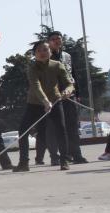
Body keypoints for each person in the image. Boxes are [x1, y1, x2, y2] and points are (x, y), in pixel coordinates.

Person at [13, 42, 73, 172]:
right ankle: (23, 162)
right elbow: (36, 86)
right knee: (23, 130)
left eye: (45, 49)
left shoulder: (57, 65)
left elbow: (69, 83)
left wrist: (68, 90)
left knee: (61, 130)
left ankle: (64, 160)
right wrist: (45, 101)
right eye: (39, 50)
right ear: (35, 54)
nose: (42, 52)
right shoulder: (32, 67)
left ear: (50, 52)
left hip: (56, 101)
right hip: (34, 103)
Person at [35, 31, 88, 165]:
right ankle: (55, 156)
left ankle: (76, 154)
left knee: (72, 126)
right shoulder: (44, 56)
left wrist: (78, 94)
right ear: (48, 42)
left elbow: (73, 75)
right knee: (53, 128)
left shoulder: (67, 56)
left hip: (69, 95)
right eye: (53, 39)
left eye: (59, 38)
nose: (56, 41)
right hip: (52, 96)